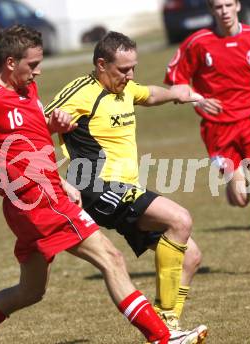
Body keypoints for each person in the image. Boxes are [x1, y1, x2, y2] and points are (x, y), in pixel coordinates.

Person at [0, 25, 180, 344]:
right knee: (111, 259)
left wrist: (57, 164)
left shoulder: (27, 90)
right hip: (37, 200)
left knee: (30, 291)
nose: (39, 72)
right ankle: (162, 338)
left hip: (35, 199)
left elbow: (30, 143)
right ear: (10, 63)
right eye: (32, 65)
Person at [45, 31, 207, 343]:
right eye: (123, 70)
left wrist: (176, 92)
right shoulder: (81, 92)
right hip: (95, 187)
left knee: (191, 256)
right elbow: (35, 125)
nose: (130, 75)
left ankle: (166, 327)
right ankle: (166, 326)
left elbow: (147, 94)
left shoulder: (124, 87)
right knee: (180, 219)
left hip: (124, 188)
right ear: (101, 64)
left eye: (133, 68)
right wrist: (55, 126)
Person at [164, 0, 250, 274]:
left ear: (237, 5)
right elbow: (175, 80)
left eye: (228, 4)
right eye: (217, 7)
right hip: (217, 128)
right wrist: (197, 100)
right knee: (240, 197)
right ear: (211, 11)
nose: (223, 11)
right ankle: (232, 182)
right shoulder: (198, 42)